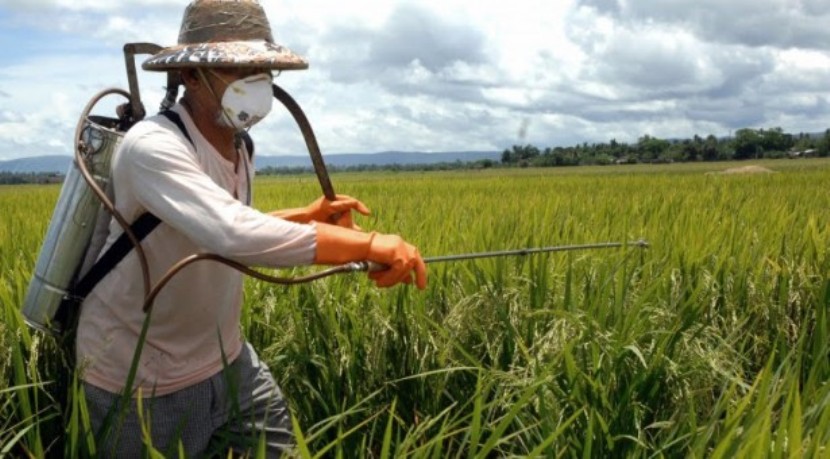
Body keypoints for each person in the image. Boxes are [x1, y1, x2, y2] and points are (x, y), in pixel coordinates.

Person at [75, 0, 427, 457]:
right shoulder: (153, 146)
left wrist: (306, 215)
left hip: (226, 359)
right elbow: (232, 233)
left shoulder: (240, 146)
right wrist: (370, 243)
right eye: (236, 67)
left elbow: (216, 226)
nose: (254, 78)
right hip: (140, 376)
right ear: (190, 76)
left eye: (260, 66)